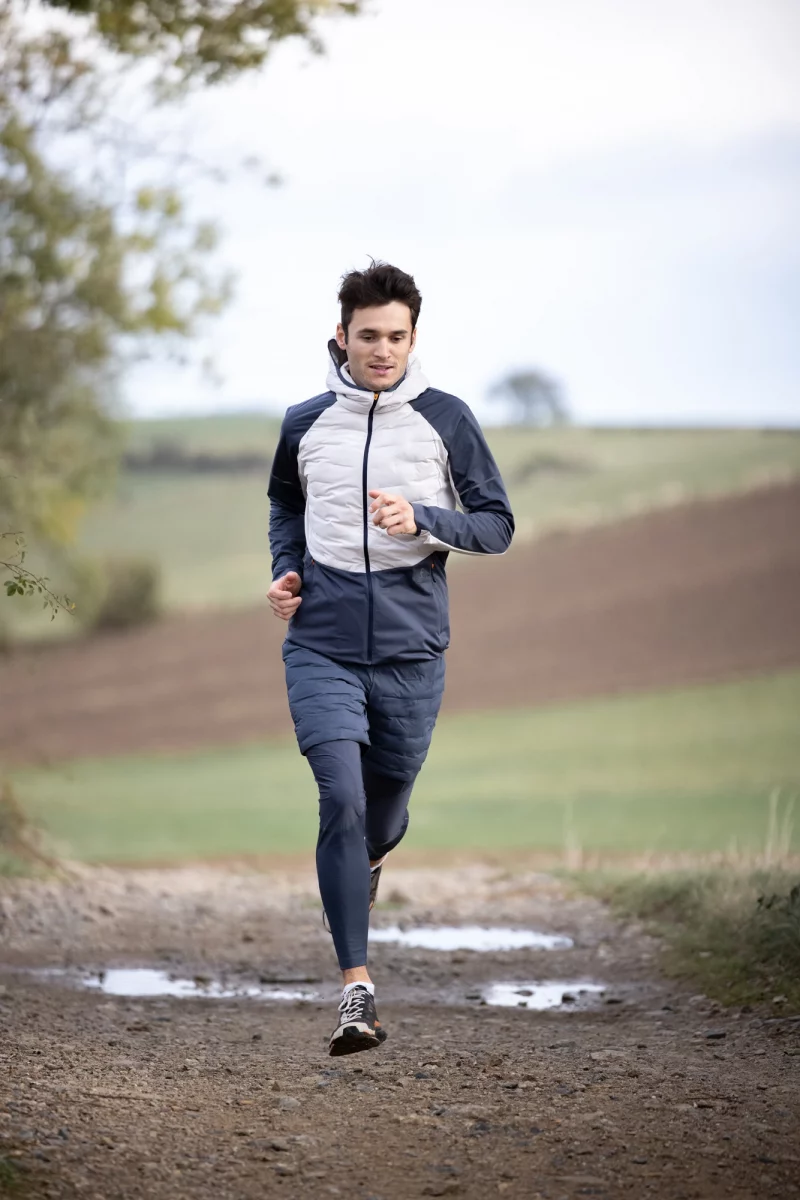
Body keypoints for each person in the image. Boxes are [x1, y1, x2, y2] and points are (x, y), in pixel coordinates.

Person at [267, 261, 514, 1055]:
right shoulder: (305, 423)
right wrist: (286, 569)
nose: (382, 351)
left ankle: (370, 856)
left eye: (396, 337)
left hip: (412, 650)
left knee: (383, 810)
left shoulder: (446, 419)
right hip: (322, 644)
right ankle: (356, 991)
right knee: (337, 794)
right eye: (367, 336)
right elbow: (286, 505)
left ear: (414, 338)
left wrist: (424, 519)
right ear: (341, 337)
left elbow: (497, 525)